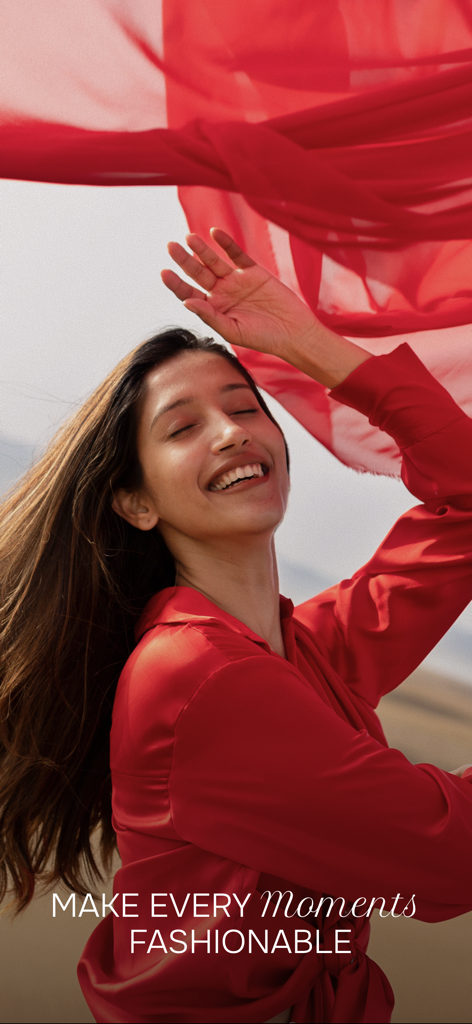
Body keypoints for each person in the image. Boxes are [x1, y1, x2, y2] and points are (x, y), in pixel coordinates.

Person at [1, 229, 472, 1024]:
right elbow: (445, 859)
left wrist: (315, 348)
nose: (230, 432)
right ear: (137, 503)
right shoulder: (199, 678)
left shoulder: (306, 650)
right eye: (182, 428)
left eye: (246, 406)